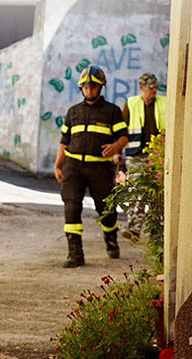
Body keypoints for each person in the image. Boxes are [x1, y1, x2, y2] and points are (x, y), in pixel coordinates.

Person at [53, 65, 129, 268]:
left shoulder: (112, 111)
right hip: (73, 167)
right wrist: (58, 166)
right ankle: (75, 253)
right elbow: (64, 142)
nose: (89, 90)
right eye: (85, 87)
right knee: (71, 206)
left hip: (100, 169)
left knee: (106, 210)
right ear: (81, 88)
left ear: (100, 87)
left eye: (93, 86)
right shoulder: (73, 112)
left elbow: (123, 137)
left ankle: (111, 239)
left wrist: (115, 147)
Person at [120, 72, 167, 243]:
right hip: (135, 154)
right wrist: (117, 152)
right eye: (150, 87)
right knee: (137, 190)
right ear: (141, 87)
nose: (153, 90)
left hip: (157, 154)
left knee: (156, 193)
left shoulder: (164, 103)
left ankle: (156, 232)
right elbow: (121, 130)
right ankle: (134, 229)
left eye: (155, 87)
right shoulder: (131, 103)